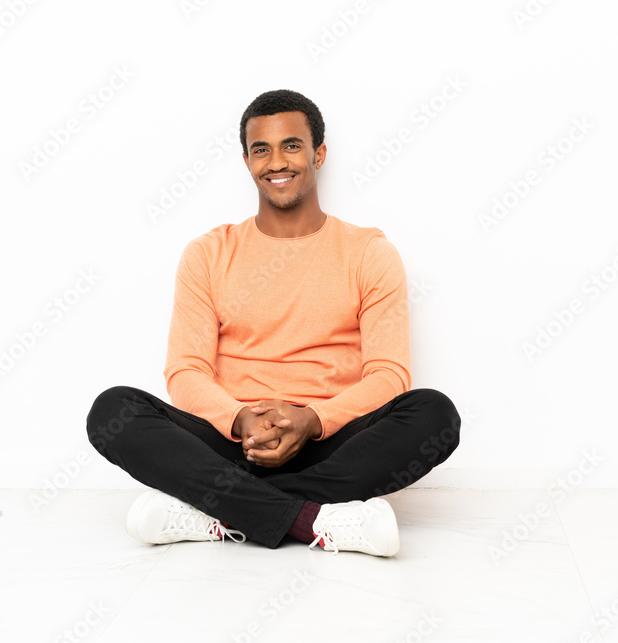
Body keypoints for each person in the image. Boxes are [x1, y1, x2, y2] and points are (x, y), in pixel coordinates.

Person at [86, 89, 461, 557]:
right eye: (261, 149)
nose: (276, 162)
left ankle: (217, 511)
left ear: (318, 153)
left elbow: (389, 374)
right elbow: (185, 371)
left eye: (292, 145)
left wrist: (311, 420)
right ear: (246, 161)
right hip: (232, 442)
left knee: (434, 414)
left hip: (330, 438)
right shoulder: (208, 254)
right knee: (112, 411)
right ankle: (314, 518)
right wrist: (241, 420)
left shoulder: (369, 253)